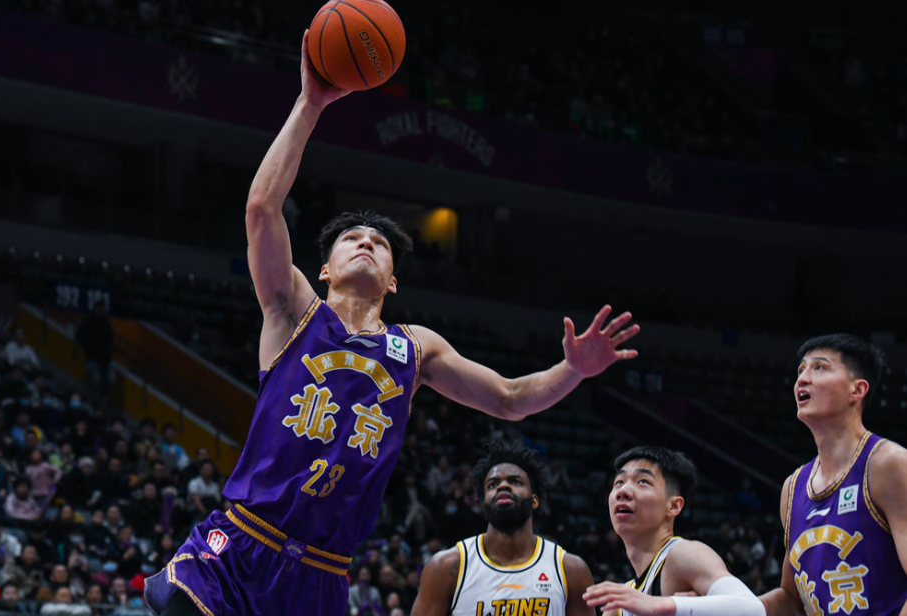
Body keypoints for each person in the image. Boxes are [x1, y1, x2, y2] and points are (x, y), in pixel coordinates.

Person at [142, 31, 640, 616]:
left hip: (320, 574)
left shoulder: (416, 349)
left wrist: (572, 369)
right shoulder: (294, 309)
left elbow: (509, 399)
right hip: (239, 546)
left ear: (393, 281)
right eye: (352, 238)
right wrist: (311, 103)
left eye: (379, 243)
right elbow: (261, 209)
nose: (366, 244)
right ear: (324, 269)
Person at [760, 335, 907, 616]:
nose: (802, 379)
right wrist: (716, 606)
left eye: (819, 367)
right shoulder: (793, 488)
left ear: (857, 390)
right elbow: (792, 601)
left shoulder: (888, 465)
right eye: (801, 370)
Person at [412, 441, 595, 616]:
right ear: (483, 503)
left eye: (516, 482)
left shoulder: (571, 570)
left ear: (534, 500)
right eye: (493, 484)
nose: (503, 486)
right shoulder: (445, 567)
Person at [583, 446, 764, 616]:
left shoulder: (682, 554)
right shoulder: (619, 605)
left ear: (674, 506)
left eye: (643, 481)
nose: (623, 491)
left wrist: (666, 605)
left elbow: (753, 609)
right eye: (619, 482)